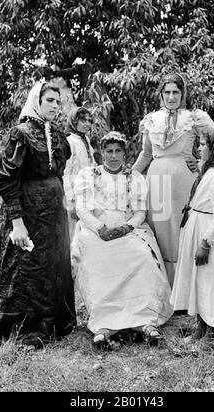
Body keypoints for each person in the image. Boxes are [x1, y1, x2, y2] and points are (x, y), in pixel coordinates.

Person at [0, 80, 76, 348]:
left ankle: (53, 325)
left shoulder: (57, 135)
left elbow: (58, 172)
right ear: (37, 101)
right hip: (27, 213)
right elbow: (6, 180)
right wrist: (17, 223)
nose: (55, 106)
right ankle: (23, 330)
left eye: (58, 102)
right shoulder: (19, 134)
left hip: (53, 215)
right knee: (24, 268)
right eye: (50, 101)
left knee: (51, 266)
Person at [72, 131, 173, 348]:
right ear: (101, 152)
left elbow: (140, 212)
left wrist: (127, 227)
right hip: (96, 231)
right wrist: (100, 229)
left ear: (125, 153)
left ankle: (145, 322)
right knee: (97, 260)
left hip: (127, 229)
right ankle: (105, 325)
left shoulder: (134, 177)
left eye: (118, 151)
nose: (114, 156)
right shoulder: (89, 175)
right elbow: (82, 209)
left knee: (142, 257)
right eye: (109, 151)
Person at [132, 73, 214, 286]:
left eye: (175, 92)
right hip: (157, 181)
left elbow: (213, 142)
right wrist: (129, 175)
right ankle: (166, 286)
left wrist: (201, 163)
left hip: (184, 181)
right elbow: (146, 154)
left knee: (183, 226)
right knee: (161, 227)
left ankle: (187, 287)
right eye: (166, 92)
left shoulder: (194, 117)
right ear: (161, 94)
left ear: (182, 93)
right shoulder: (151, 120)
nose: (171, 97)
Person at [170, 124, 214, 343]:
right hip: (198, 225)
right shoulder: (210, 170)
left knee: (211, 282)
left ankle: (212, 336)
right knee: (198, 281)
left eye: (203, 145)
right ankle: (200, 329)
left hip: (209, 234)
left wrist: (206, 243)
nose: (199, 149)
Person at [63, 107, 96, 239]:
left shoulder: (85, 140)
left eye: (89, 120)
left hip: (88, 192)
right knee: (73, 233)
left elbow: (91, 164)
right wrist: (71, 202)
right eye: (83, 120)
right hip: (75, 195)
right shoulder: (70, 141)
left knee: (86, 232)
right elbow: (65, 173)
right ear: (74, 121)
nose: (87, 124)